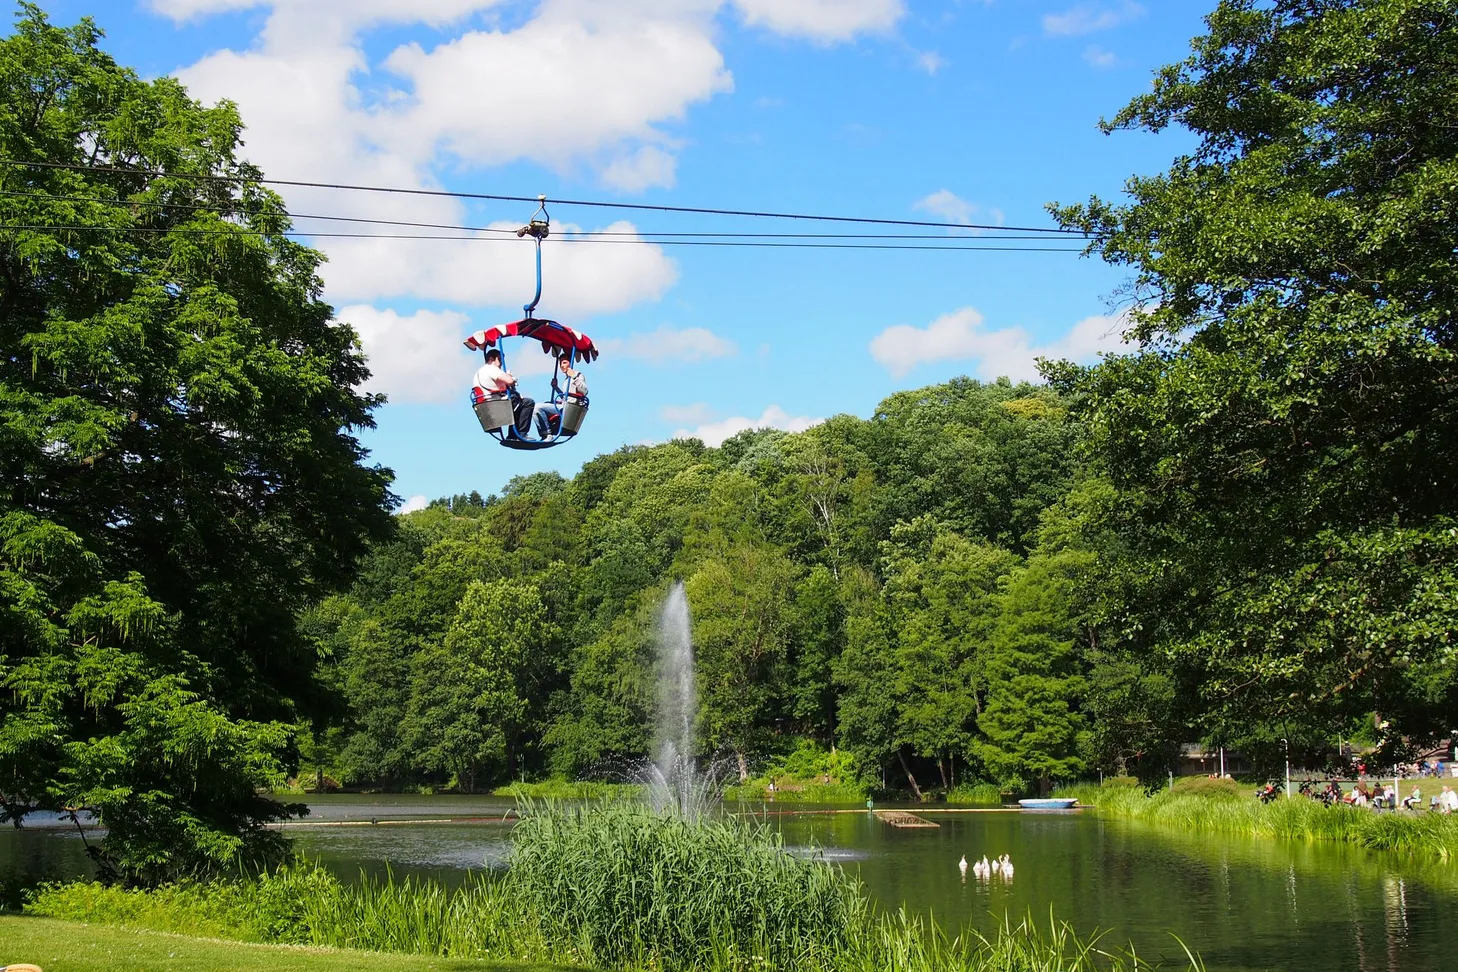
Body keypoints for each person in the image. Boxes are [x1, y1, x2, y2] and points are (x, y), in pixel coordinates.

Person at [473, 349, 535, 436]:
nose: (501, 363)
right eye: (499, 359)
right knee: (527, 402)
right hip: (496, 405)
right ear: (491, 359)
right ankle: (521, 434)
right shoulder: (491, 369)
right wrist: (510, 377)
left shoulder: (479, 372)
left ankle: (513, 435)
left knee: (517, 402)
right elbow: (509, 381)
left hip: (485, 406)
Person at [532, 355, 588, 439]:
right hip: (565, 405)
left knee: (537, 407)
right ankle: (546, 432)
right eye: (560, 363)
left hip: (570, 408)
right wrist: (556, 388)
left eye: (564, 362)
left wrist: (574, 377)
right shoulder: (566, 379)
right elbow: (566, 397)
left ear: (571, 363)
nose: (562, 365)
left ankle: (547, 434)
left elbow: (584, 391)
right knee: (542, 406)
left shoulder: (577, 375)